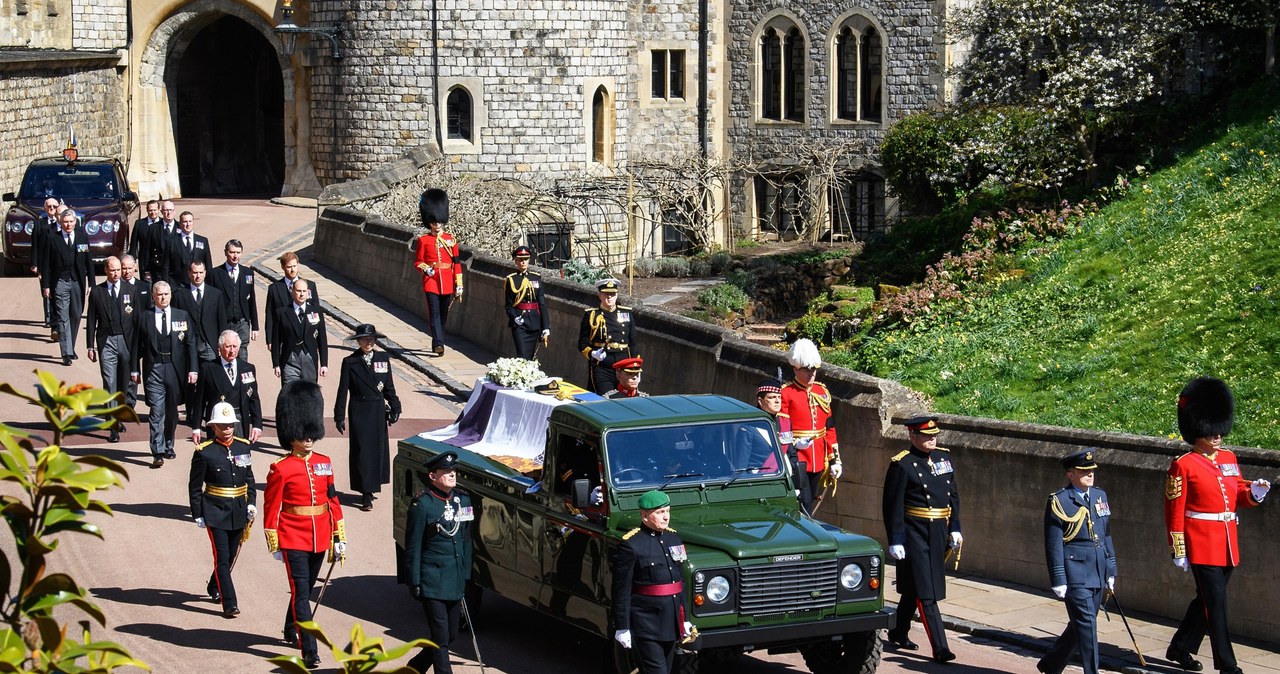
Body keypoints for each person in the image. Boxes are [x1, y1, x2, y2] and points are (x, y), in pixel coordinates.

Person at [1164, 377, 1270, 674]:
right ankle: (1228, 665)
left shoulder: (1228, 458)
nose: (1218, 435)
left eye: (1219, 429)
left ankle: (1180, 647)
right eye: (1211, 430)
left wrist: (1254, 494)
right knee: (1217, 606)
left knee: (1206, 601)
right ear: (1198, 428)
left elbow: (1236, 493)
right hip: (1200, 545)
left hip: (1226, 542)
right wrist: (1178, 549)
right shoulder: (1183, 465)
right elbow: (1174, 509)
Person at [264, 381, 346, 669]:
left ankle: (290, 625)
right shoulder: (280, 468)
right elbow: (271, 506)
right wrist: (274, 540)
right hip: (293, 537)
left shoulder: (325, 462)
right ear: (291, 433)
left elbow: (332, 500)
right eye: (303, 432)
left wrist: (339, 536)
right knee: (301, 592)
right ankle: (308, 648)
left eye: (311, 432)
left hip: (320, 536)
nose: (308, 439)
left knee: (305, 590)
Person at [882, 415, 961, 663]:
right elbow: (892, 505)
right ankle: (940, 648)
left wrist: (956, 527)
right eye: (926, 436)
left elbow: (953, 496)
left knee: (915, 587)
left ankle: (897, 631)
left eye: (934, 436)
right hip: (914, 533)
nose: (931, 440)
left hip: (938, 531)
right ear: (912, 436)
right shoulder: (902, 464)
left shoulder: (943, 458)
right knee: (927, 591)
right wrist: (895, 539)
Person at [1038, 449, 1116, 674]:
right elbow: (1053, 544)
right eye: (1084, 471)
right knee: (1088, 626)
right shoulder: (1059, 501)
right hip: (1075, 573)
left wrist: (1111, 568)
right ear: (1070, 475)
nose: (1090, 474)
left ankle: (1051, 664)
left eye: (1091, 470)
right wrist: (1058, 578)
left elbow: (1106, 535)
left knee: (1080, 625)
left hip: (1098, 570)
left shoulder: (1100, 496)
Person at [404, 450, 474, 673]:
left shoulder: (463, 500)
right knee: (441, 639)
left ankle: (414, 667)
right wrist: (414, 581)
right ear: (433, 476)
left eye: (453, 470)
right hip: (432, 580)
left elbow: (466, 540)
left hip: (454, 579)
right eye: (446, 471)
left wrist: (466, 574)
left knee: (449, 635)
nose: (452, 474)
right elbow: (414, 546)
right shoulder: (422, 505)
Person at [610, 489, 693, 674]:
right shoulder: (631, 545)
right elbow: (621, 591)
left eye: (668, 511)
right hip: (646, 625)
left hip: (670, 624)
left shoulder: (673, 538)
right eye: (660, 512)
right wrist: (622, 627)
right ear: (644, 515)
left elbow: (681, 583)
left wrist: (685, 619)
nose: (666, 517)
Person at [188, 402, 257, 619]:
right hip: (215, 511)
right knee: (222, 557)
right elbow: (195, 486)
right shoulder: (204, 452)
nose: (226, 429)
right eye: (222, 425)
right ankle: (230, 602)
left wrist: (252, 502)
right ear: (213, 427)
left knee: (230, 555)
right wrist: (198, 513)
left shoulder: (243, 446)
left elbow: (249, 479)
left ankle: (213, 585)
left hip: (238, 509)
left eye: (229, 425)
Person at [334, 323, 402, 511]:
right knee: (362, 451)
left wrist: (395, 405)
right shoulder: (350, 362)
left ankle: (372, 487)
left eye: (372, 339)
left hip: (378, 409)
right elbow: (342, 390)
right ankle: (365, 493)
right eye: (365, 339)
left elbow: (389, 386)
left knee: (376, 450)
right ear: (358, 341)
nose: (369, 342)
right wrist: (338, 415)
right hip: (359, 410)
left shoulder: (383, 358)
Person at [131, 281, 198, 468]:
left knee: (171, 411)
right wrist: (134, 369)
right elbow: (136, 345)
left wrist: (193, 369)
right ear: (153, 296)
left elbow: (191, 344)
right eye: (159, 294)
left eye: (166, 294)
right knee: (156, 410)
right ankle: (157, 451)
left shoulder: (181, 316)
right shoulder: (144, 317)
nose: (163, 298)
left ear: (171, 295)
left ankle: (169, 443)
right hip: (154, 369)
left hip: (175, 368)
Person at [779, 339, 840, 513]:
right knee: (803, 503)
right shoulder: (786, 393)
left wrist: (835, 460)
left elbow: (829, 428)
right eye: (806, 369)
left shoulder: (822, 391)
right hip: (797, 458)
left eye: (813, 369)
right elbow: (782, 428)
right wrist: (795, 443)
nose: (811, 373)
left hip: (819, 457)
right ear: (795, 369)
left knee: (811, 500)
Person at [85, 256, 137, 443]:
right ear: (106, 270)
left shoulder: (131, 290)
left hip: (126, 341)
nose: (116, 274)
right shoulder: (97, 292)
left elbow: (136, 320)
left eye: (118, 270)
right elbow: (91, 319)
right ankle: (112, 426)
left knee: (123, 385)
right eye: (113, 270)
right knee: (109, 382)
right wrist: (90, 345)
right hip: (106, 341)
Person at [172, 260, 230, 423]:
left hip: (209, 345)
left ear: (205, 273)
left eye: (200, 272)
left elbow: (222, 322)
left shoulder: (215, 294)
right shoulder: (179, 295)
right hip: (187, 347)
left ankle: (211, 413)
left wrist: (222, 345)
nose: (197, 276)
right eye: (194, 272)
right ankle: (191, 413)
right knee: (190, 381)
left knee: (211, 380)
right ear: (189, 274)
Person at [41, 208, 95, 365]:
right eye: (65, 222)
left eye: (71, 221)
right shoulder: (53, 238)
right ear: (60, 222)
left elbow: (88, 261)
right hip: (60, 282)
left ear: (75, 222)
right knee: (63, 317)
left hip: (77, 281)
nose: (68, 224)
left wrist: (91, 283)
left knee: (76, 314)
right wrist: (46, 286)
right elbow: (46, 264)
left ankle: (70, 347)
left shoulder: (82, 236)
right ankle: (66, 353)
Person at [413, 188, 463, 356]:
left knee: (443, 314)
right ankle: (438, 343)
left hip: (447, 281)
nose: (437, 224)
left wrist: (459, 284)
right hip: (431, 282)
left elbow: (456, 264)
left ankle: (438, 338)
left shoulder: (451, 240)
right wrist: (426, 269)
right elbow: (418, 261)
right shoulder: (423, 240)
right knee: (434, 313)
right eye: (434, 222)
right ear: (430, 222)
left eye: (439, 222)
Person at [190, 330, 263, 445]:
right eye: (228, 346)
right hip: (217, 423)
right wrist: (196, 428)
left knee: (240, 458)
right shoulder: (208, 369)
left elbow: (253, 399)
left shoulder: (248, 368)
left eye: (235, 346)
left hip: (239, 421)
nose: (232, 350)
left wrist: (257, 425)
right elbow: (200, 401)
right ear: (220, 348)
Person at [578, 278, 635, 394]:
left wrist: (635, 368)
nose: (609, 297)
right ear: (600, 295)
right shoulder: (592, 315)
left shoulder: (626, 313)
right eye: (606, 294)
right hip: (602, 365)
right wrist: (592, 353)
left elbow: (633, 342)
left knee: (626, 399)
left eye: (612, 294)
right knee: (605, 398)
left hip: (624, 365)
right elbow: (582, 343)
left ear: (616, 295)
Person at [208, 239, 258, 362]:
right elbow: (211, 302)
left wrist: (255, 326)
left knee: (242, 354)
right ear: (226, 253)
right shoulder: (215, 274)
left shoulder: (248, 273)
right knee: (224, 354)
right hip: (224, 322)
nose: (235, 256)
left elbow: (252, 300)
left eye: (238, 252)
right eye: (232, 252)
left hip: (242, 322)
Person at [270, 278, 328, 385]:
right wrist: (276, 364)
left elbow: (322, 339)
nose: (301, 294)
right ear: (292, 291)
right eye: (298, 291)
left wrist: (324, 364)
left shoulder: (316, 311)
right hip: (290, 359)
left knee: (309, 393)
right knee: (290, 393)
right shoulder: (282, 313)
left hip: (309, 358)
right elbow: (276, 340)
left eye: (304, 291)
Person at [755, 378, 803, 508]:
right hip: (762, 481)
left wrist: (791, 470)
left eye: (779, 397)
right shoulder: (751, 425)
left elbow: (792, 453)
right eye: (772, 397)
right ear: (760, 401)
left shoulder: (785, 422)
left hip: (785, 481)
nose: (777, 401)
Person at [264, 251, 319, 353]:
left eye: (294, 266)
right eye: (289, 267)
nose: (292, 269)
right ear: (283, 267)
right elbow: (270, 315)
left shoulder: (310, 286)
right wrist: (270, 339)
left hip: (306, 338)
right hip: (283, 338)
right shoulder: (274, 288)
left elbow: (316, 311)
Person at [503, 245, 549, 359]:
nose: (523, 262)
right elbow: (508, 306)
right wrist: (514, 318)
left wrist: (546, 327)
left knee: (531, 356)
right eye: (520, 259)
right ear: (516, 261)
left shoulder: (536, 278)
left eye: (526, 259)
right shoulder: (511, 280)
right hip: (520, 323)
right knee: (522, 355)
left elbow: (542, 304)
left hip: (534, 322)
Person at [31, 197, 61, 328]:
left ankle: (56, 318)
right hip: (44, 263)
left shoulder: (62, 224)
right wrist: (34, 263)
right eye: (49, 207)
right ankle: (48, 318)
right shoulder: (39, 224)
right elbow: (35, 245)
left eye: (54, 206)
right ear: (45, 208)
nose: (52, 209)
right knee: (46, 290)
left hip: (58, 263)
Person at [167, 211, 214, 289]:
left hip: (198, 285)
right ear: (180, 223)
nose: (188, 224)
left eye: (190, 221)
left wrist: (208, 284)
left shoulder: (203, 240)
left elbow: (208, 264)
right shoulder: (171, 241)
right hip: (178, 286)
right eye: (185, 221)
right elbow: (166, 266)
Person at [129, 199, 162, 283]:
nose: (153, 212)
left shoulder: (163, 223)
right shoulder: (139, 224)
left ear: (158, 210)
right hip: (145, 262)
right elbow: (134, 244)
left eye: (155, 210)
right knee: (146, 285)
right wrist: (132, 261)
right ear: (147, 210)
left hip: (160, 262)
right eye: (150, 210)